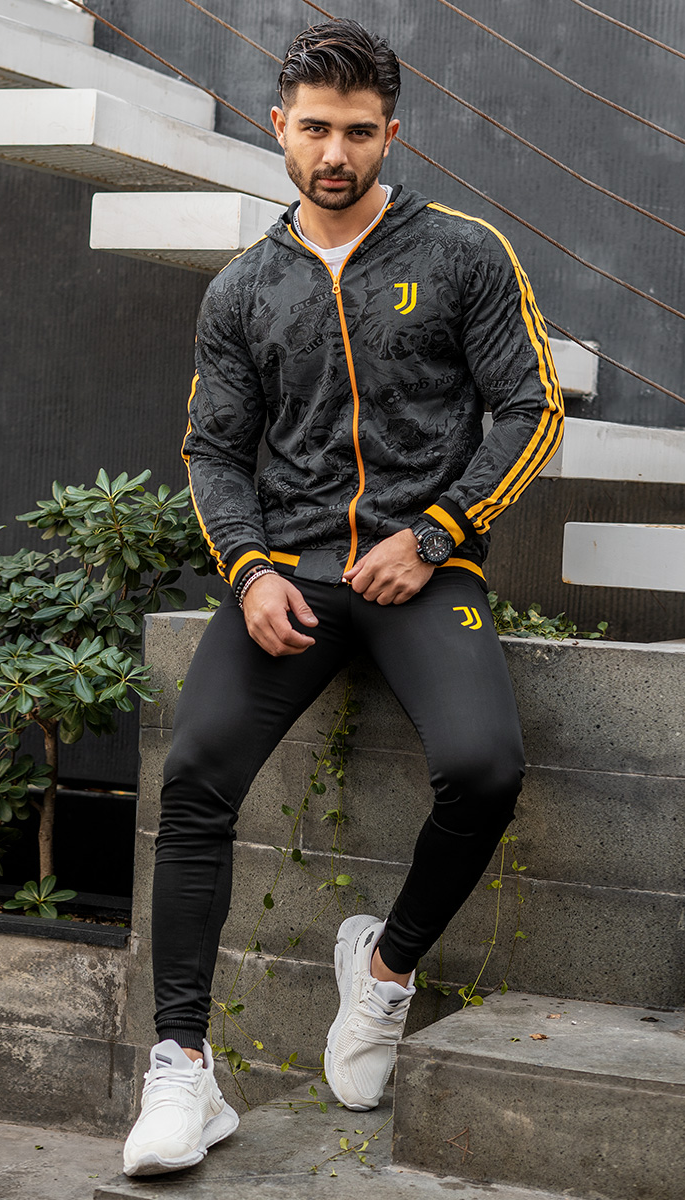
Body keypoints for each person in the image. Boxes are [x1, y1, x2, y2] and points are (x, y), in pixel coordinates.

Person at [122, 17, 564, 1177]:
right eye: (314, 128)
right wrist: (250, 570)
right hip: (294, 577)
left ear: (390, 135)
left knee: (486, 768)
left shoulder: (463, 253)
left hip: (424, 571)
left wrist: (437, 533)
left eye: (358, 132)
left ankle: (382, 970)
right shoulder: (244, 288)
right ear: (279, 127)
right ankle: (182, 1069)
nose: (335, 152)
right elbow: (215, 450)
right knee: (195, 776)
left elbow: (532, 408)